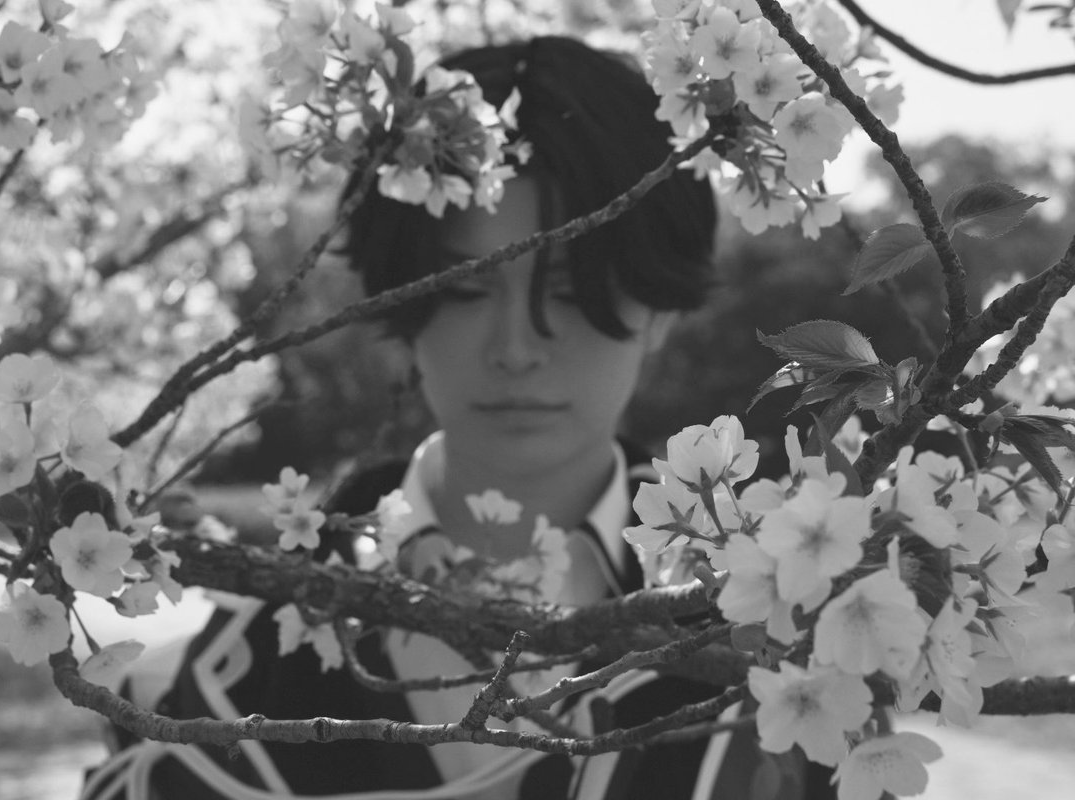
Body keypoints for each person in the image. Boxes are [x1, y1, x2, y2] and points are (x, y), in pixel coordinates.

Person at [83, 35, 832, 800]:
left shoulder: (783, 639)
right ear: (399, 296)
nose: (516, 349)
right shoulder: (222, 674)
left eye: (571, 292)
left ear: (662, 305)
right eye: (467, 288)